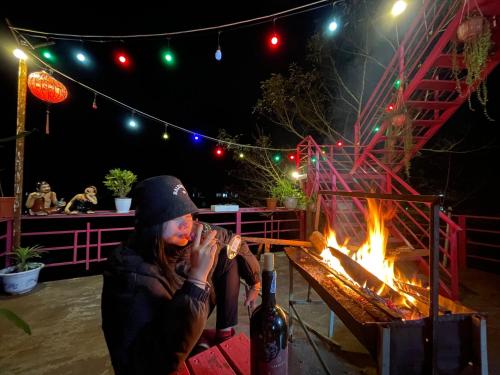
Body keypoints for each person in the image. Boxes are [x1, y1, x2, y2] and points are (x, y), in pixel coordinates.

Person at [101, 175, 261, 374]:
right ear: (152, 224)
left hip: (180, 321)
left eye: (189, 215)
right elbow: (145, 364)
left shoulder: (187, 234)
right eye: (176, 218)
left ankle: (223, 334)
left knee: (228, 256)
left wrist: (255, 282)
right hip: (158, 358)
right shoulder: (130, 276)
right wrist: (197, 281)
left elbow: (232, 239)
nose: (187, 224)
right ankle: (195, 343)